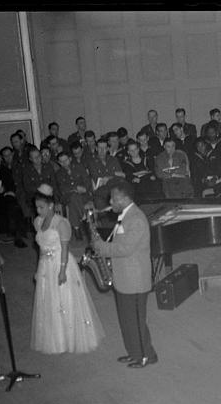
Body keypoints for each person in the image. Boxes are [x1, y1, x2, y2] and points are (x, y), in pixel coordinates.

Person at [91, 179, 158, 368]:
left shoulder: (136, 218)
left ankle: (146, 355)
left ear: (124, 198)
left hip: (135, 280)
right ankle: (135, 353)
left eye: (113, 199)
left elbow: (125, 248)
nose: (110, 202)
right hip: (125, 278)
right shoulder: (125, 216)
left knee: (136, 321)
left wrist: (102, 248)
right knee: (127, 320)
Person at [31, 183, 104, 354]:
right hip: (45, 265)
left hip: (60, 263)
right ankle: (56, 339)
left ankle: (70, 338)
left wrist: (62, 270)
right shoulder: (37, 221)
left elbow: (65, 248)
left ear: (50, 206)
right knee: (49, 300)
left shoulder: (61, 223)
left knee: (64, 300)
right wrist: (38, 269)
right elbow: (40, 249)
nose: (38, 211)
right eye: (36, 207)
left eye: (41, 207)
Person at [55, 150, 92, 240]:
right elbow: (62, 189)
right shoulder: (59, 173)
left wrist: (85, 189)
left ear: (70, 159)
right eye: (61, 161)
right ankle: (83, 217)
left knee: (73, 202)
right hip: (67, 197)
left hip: (83, 195)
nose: (64, 163)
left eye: (66, 160)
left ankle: (76, 228)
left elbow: (87, 181)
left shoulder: (79, 167)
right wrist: (75, 188)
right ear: (59, 162)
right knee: (74, 197)